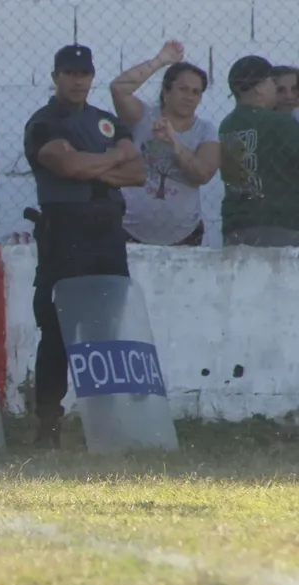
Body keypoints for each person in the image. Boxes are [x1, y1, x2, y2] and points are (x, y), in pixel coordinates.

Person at [23, 44, 146, 449]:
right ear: (56, 76)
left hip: (107, 232)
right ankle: (48, 424)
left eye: (84, 74)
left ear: (92, 77)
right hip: (64, 231)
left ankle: (105, 422)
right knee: (58, 331)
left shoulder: (105, 121)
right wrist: (111, 160)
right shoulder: (44, 122)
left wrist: (93, 166)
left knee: (106, 331)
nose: (78, 81)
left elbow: (139, 172)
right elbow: (68, 166)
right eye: (70, 73)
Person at [109, 40, 220, 246]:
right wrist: (160, 61)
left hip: (184, 235)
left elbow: (202, 174)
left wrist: (174, 142)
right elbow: (118, 88)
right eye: (183, 89)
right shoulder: (143, 115)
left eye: (196, 92)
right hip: (129, 230)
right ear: (166, 91)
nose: (189, 97)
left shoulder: (205, 130)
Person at [219, 56, 299, 246]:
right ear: (258, 88)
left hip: (236, 225)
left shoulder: (227, 125)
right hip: (280, 223)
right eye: (272, 82)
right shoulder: (281, 123)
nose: (274, 88)